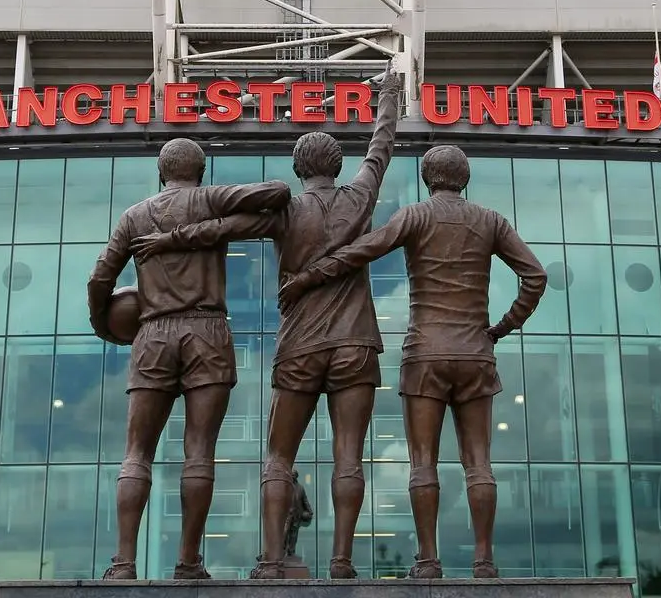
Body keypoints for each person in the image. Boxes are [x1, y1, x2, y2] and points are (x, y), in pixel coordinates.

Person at [131, 71, 403, 579]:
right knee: (349, 456)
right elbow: (381, 145)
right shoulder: (360, 195)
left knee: (279, 457)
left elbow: (223, 229)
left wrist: (169, 239)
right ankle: (342, 563)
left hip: (300, 345)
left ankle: (272, 562)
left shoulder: (286, 211)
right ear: (337, 165)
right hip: (356, 344)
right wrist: (388, 94)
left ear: (298, 169)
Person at [278, 145, 547, 579]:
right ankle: (484, 561)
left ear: (426, 178)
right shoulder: (490, 220)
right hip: (475, 351)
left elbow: (361, 251)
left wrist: (309, 276)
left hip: (424, 354)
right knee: (478, 462)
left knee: (423, 462)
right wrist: (503, 326)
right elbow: (535, 276)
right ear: (465, 178)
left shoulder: (414, 216)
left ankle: (427, 560)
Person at [86, 138, 291, 581]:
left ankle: (123, 564)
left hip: (153, 333)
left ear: (162, 173)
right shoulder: (209, 199)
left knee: (136, 452)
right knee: (199, 452)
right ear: (200, 172)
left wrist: (104, 326)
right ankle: (189, 563)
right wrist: (223, 222)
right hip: (207, 331)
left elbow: (100, 277)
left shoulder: (134, 216)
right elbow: (278, 192)